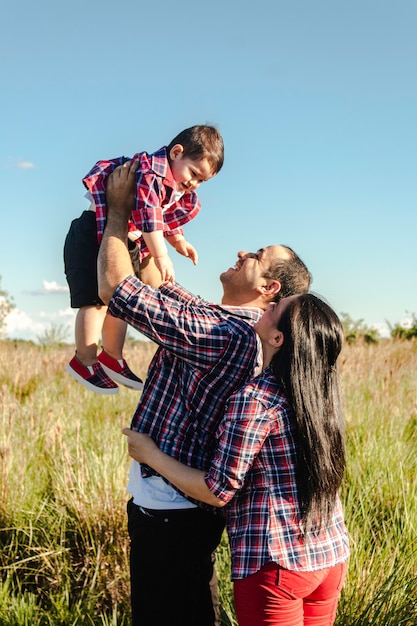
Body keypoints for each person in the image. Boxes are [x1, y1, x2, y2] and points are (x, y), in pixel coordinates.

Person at [97, 160, 312, 626]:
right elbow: (165, 292)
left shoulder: (227, 334)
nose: (242, 252)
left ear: (268, 288)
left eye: (257, 254)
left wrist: (116, 212)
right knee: (191, 606)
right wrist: (149, 222)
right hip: (176, 506)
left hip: (172, 507)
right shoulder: (225, 323)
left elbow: (116, 289)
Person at [124, 293, 350, 626]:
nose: (268, 305)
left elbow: (217, 490)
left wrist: (151, 455)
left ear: (277, 338)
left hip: (277, 564)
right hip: (329, 554)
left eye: (276, 308)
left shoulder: (256, 399)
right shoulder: (322, 396)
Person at [64, 125, 224, 394]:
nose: (194, 184)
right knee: (94, 302)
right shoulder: (150, 173)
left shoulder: (173, 187)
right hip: (93, 231)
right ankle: (85, 359)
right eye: (194, 174)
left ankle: (112, 356)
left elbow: (162, 218)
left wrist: (178, 241)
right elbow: (149, 216)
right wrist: (161, 255)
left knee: (121, 300)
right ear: (176, 153)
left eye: (201, 181)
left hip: (123, 239)